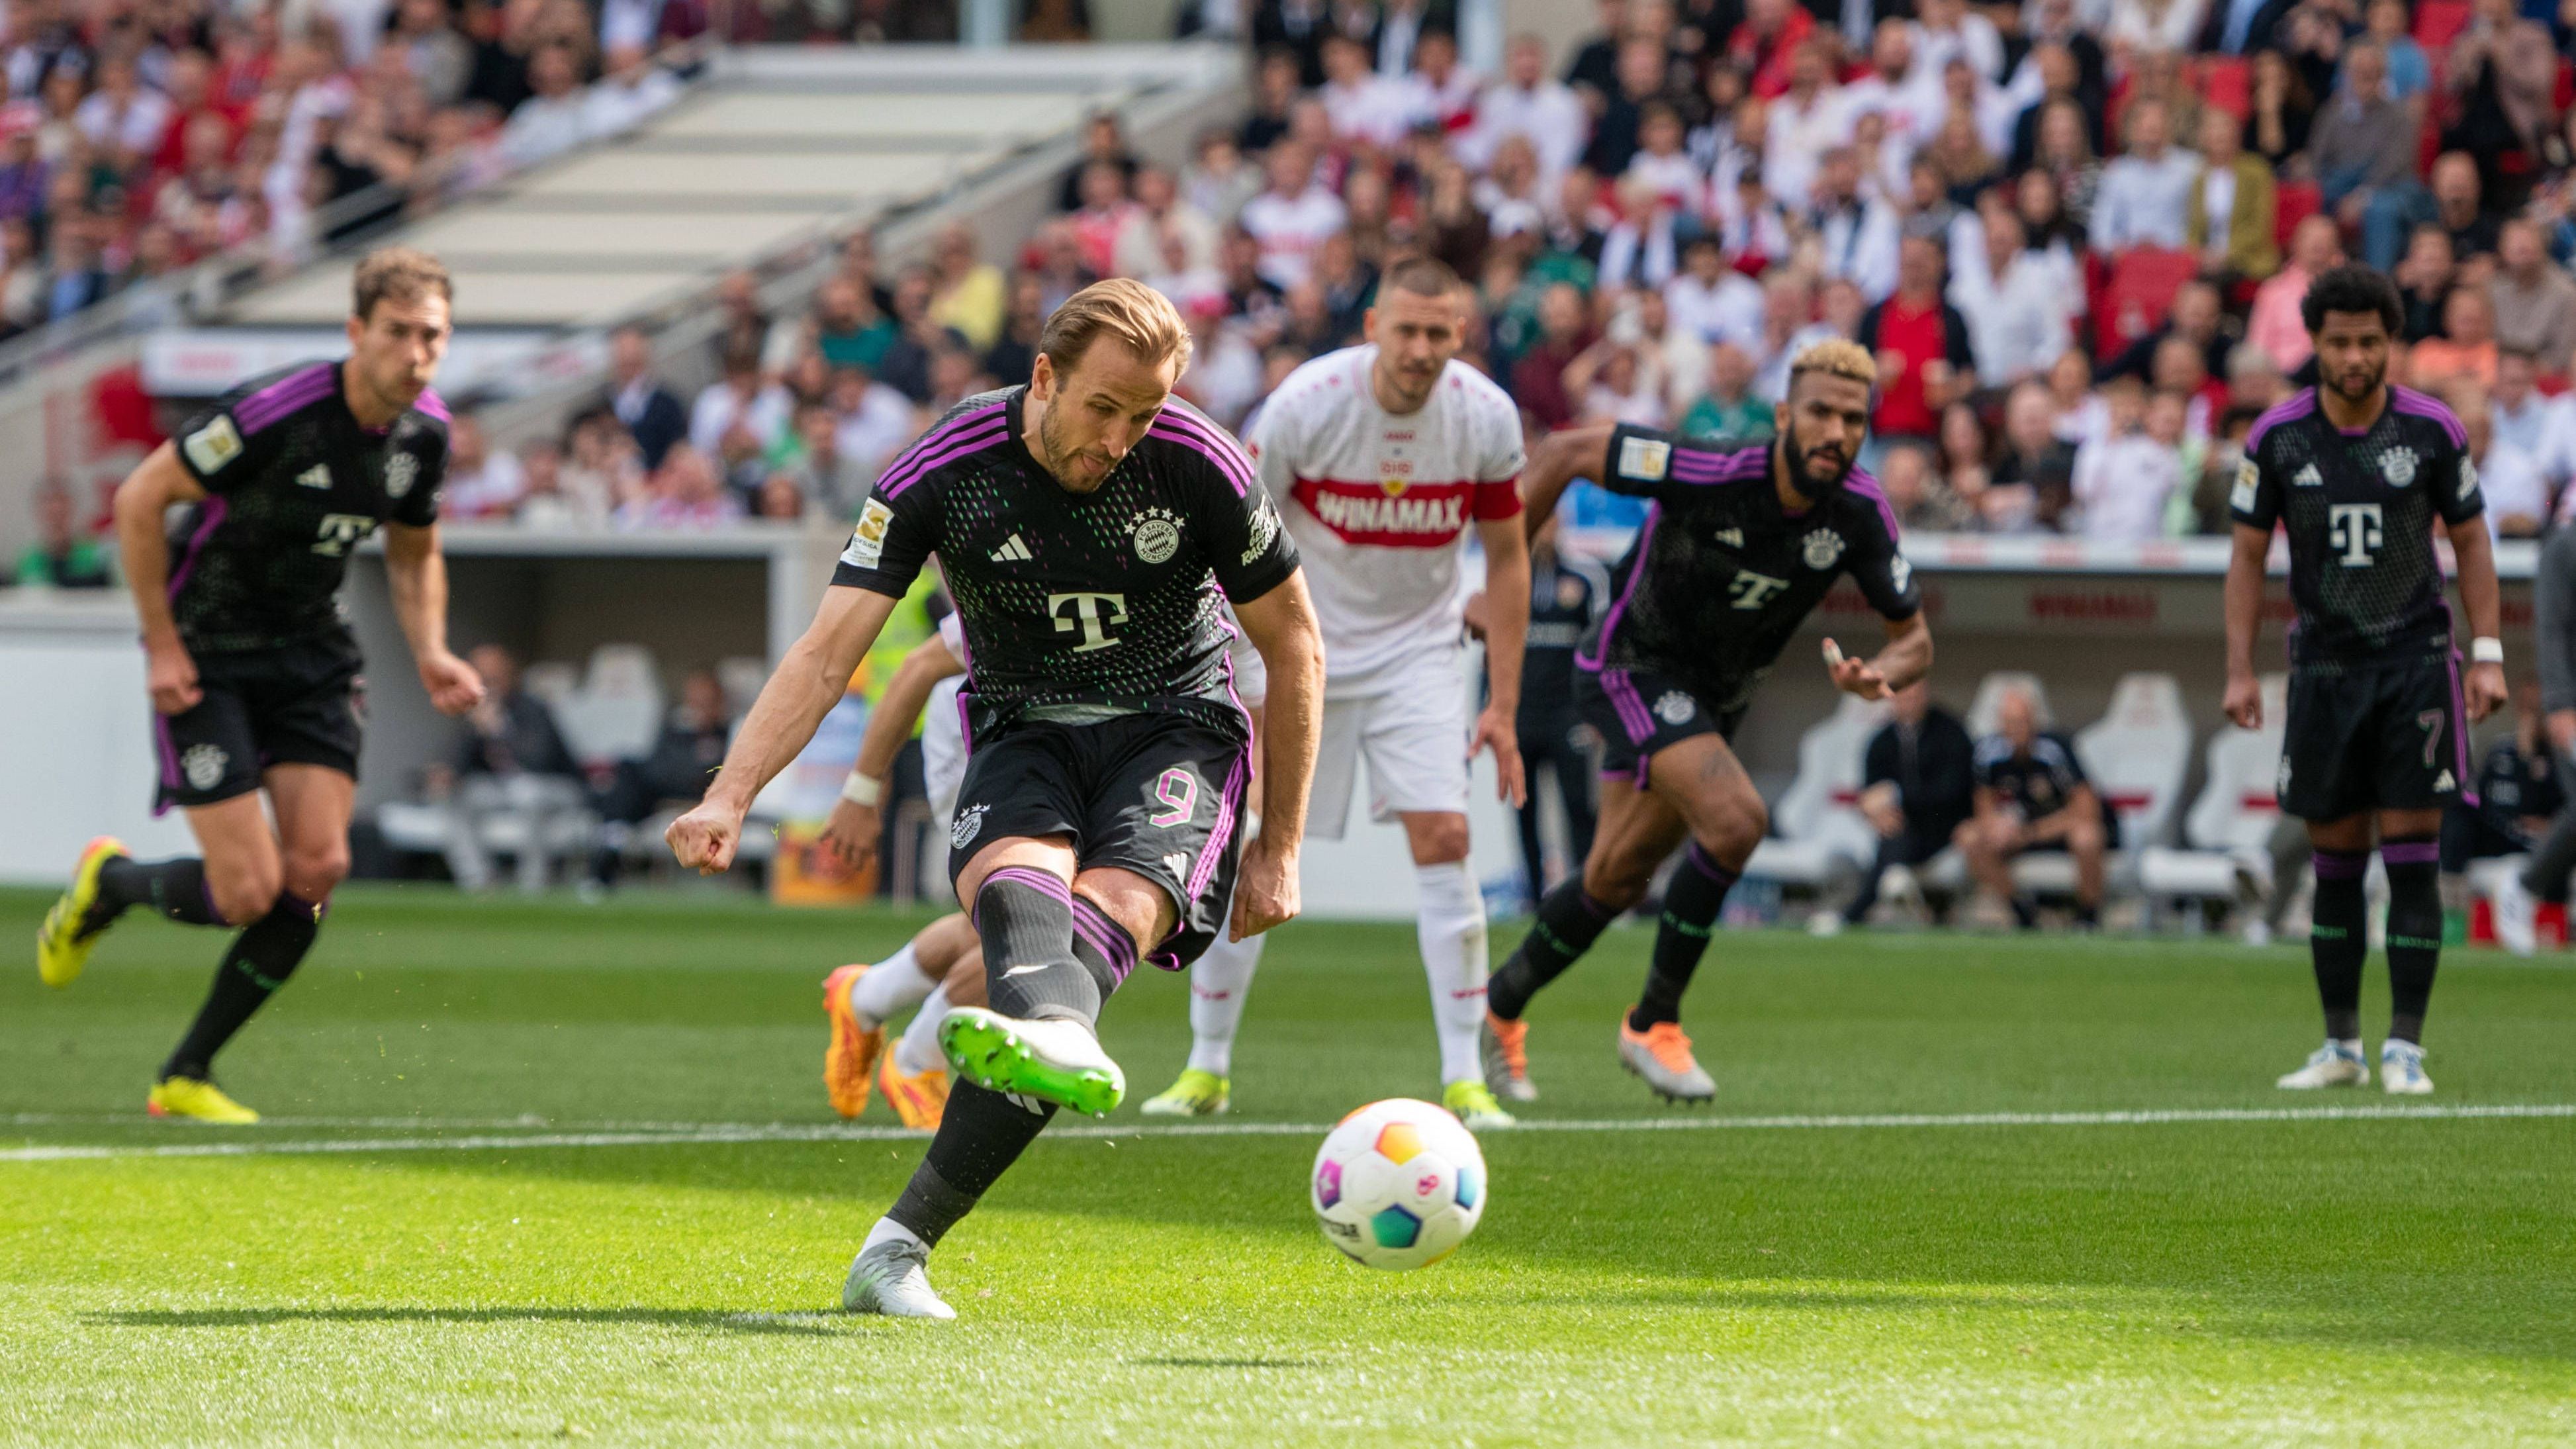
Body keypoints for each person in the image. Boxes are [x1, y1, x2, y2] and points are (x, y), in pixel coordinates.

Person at [663, 279, 1324, 1320]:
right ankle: (923, 1209)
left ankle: (897, 1247)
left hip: (1176, 727)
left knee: (1100, 933)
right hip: (1021, 724)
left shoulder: (1200, 462)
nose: (1120, 437)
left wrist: (1279, 844)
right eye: (1103, 408)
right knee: (1030, 937)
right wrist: (732, 794)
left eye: (1144, 414)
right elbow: (832, 647)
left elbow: (1294, 642)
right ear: (1046, 376)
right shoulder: (945, 466)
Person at [34, 248, 484, 1123]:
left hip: (313, 655)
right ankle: (112, 884)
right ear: (357, 332)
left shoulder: (426, 435)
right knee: (245, 892)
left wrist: (430, 648)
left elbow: (413, 550)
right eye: (397, 333)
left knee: (316, 871)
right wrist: (161, 644)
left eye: (432, 336)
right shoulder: (275, 412)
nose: (416, 353)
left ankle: (186, 1072)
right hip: (208, 652)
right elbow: (139, 499)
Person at [1481, 340, 1933, 1105]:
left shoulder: (1857, 512)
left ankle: (1496, 1010)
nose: (1835, 431)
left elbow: (1914, 636)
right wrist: (1503, 575)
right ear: (1785, 415)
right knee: (1735, 820)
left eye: (1853, 419)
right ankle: (1654, 1023)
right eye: (1819, 412)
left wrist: (1883, 674)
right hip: (1628, 664)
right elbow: (1562, 451)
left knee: (1615, 875)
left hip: (1712, 699)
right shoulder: (1707, 467)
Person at [1150, 256, 1528, 1129]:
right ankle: (1207, 1067)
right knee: (1248, 843)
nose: (1423, 348)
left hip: (1418, 653)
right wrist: (1226, 662)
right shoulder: (1305, 406)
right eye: (1408, 329)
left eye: (1440, 333)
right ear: (1373, 328)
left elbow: (1509, 559)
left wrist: (1500, 702)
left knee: (1447, 836)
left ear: (1461, 336)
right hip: (1295, 649)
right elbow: (1224, 532)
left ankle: (1464, 1078)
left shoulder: (1485, 418)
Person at [2224, 265, 2507, 1096]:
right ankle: (2341, 1044)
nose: (2354, 356)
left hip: (2415, 664)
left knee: (2413, 857)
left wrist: (2486, 653)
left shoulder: (2430, 430)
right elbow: (2245, 556)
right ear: (2314, 343)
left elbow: (2473, 540)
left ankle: (2405, 1046)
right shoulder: (2276, 437)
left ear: (2391, 344)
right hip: (2322, 667)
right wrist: (2239, 668)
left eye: (2369, 341)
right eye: (2339, 341)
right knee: (2335, 861)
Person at [1493, 515, 1606, 910]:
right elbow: (1492, 654)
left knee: (1579, 806)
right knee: (1524, 811)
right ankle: (1533, 899)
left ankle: (1588, 897)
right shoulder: (1507, 579)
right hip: (1522, 717)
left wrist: (1597, 714)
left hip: (1569, 716)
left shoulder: (1583, 580)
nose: (1545, 529)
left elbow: (1600, 650)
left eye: (1552, 521)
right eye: (1539, 522)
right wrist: (1488, 710)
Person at [1828, 678, 1974, 932]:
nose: (1909, 701)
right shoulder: (1881, 741)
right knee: (1893, 832)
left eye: (1915, 694)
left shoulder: (1951, 733)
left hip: (1945, 828)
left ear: (1926, 694)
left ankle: (1856, 911)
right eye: (1903, 696)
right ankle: (1900, 888)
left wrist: (1897, 796)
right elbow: (1871, 794)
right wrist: (1876, 814)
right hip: (1898, 828)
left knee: (1897, 838)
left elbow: (1952, 791)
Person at [1960, 687, 2113, 929]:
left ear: (2034, 721)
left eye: (2023, 722)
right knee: (1969, 836)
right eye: (2010, 723)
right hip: (2016, 835)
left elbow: (2087, 808)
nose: (2017, 729)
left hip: (2055, 832)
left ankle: (2088, 914)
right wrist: (1997, 826)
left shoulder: (2055, 748)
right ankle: (2021, 909)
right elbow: (1984, 804)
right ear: (2000, 724)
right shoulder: (1988, 751)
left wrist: (2032, 832)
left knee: (2088, 836)